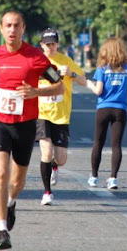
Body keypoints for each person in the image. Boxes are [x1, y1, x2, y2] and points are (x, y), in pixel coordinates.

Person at [0, 11, 65, 250]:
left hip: (26, 123)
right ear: (1, 29)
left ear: (23, 28)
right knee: (1, 173)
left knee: (17, 181)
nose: (11, 30)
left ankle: (10, 202)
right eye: (7, 25)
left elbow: (58, 86)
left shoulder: (36, 57)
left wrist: (36, 92)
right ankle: (1, 230)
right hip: (0, 122)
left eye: (16, 26)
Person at [36, 28, 86, 205]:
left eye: (53, 43)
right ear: (42, 45)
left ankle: (55, 166)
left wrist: (71, 74)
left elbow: (84, 80)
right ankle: (47, 192)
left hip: (62, 116)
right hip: (41, 113)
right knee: (46, 151)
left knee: (61, 159)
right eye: (47, 44)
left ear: (57, 44)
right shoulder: (37, 61)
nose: (50, 47)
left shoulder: (66, 61)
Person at [86, 37, 127, 190]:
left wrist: (89, 84)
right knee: (116, 145)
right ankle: (113, 178)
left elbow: (98, 91)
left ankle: (94, 177)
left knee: (98, 143)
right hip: (120, 109)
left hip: (103, 108)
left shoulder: (102, 68)